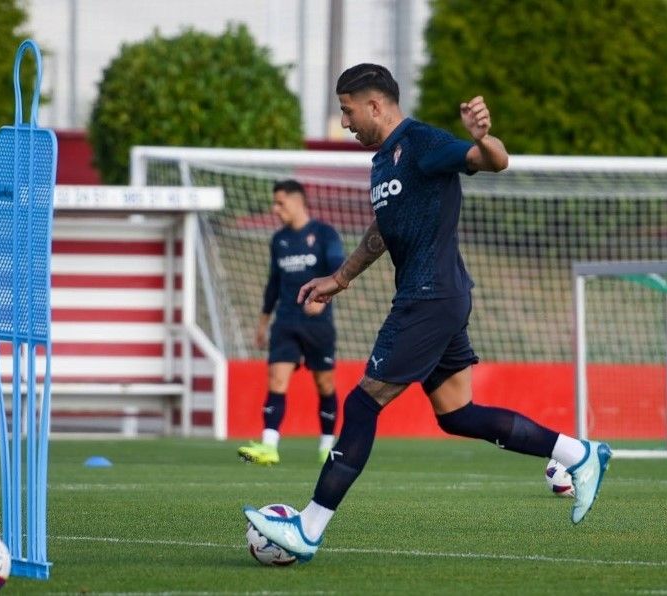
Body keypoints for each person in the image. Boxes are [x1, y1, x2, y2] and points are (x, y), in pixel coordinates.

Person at [244, 64, 613, 561]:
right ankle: (578, 453)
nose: (345, 122)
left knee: (361, 404)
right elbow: (383, 229)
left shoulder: (422, 142)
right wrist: (341, 278)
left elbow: (494, 160)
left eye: (347, 111)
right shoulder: (382, 162)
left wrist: (482, 138)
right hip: (437, 295)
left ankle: (308, 528)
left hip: (429, 296)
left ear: (375, 105)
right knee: (457, 414)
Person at [238, 179, 346, 466]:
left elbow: (339, 270)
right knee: (276, 379)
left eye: (280, 203)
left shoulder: (325, 234)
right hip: (285, 320)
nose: (275, 209)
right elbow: (273, 284)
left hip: (318, 323)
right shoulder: (279, 240)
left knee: (324, 384)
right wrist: (263, 322)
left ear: (298, 201)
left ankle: (327, 446)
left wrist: (322, 299)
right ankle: (269, 446)